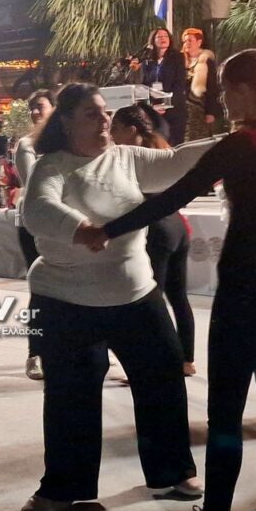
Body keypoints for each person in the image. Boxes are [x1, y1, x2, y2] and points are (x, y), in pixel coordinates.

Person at [88, 49, 256, 511]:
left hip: (248, 286)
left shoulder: (240, 144)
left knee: (226, 412)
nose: (222, 99)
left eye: (226, 89)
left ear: (243, 90)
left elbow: (174, 196)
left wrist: (106, 229)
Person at [17, 83, 213, 511]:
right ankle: (62, 489)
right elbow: (36, 210)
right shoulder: (52, 165)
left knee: (163, 379)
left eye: (105, 112)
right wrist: (80, 228)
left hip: (135, 294)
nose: (104, 120)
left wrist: (232, 141)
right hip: (65, 301)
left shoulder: (126, 158)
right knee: (70, 397)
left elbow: (177, 161)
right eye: (92, 114)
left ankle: (172, 471)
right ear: (66, 121)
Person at [109, 104, 197, 376]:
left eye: (115, 128)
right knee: (178, 297)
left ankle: (154, 363)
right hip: (178, 228)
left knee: (150, 302)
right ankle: (186, 360)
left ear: (131, 130)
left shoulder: (134, 158)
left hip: (157, 230)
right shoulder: (163, 147)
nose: (111, 135)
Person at [15, 90, 55, 379]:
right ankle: (35, 354)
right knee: (40, 289)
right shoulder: (27, 144)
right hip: (33, 223)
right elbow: (35, 183)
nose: (35, 112)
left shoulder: (69, 142)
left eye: (40, 106)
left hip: (64, 223)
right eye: (33, 108)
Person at [141, 30, 190, 145]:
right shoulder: (147, 61)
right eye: (159, 37)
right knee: (158, 144)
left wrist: (165, 104)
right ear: (153, 41)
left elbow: (179, 84)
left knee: (175, 144)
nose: (163, 38)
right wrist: (151, 106)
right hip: (154, 109)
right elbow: (144, 85)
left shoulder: (178, 57)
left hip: (174, 108)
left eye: (166, 36)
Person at [182, 28, 224, 139]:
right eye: (185, 41)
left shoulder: (206, 61)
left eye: (190, 40)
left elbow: (212, 88)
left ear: (199, 42)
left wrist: (211, 112)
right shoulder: (180, 61)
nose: (187, 43)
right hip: (182, 109)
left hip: (200, 108)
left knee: (199, 139)